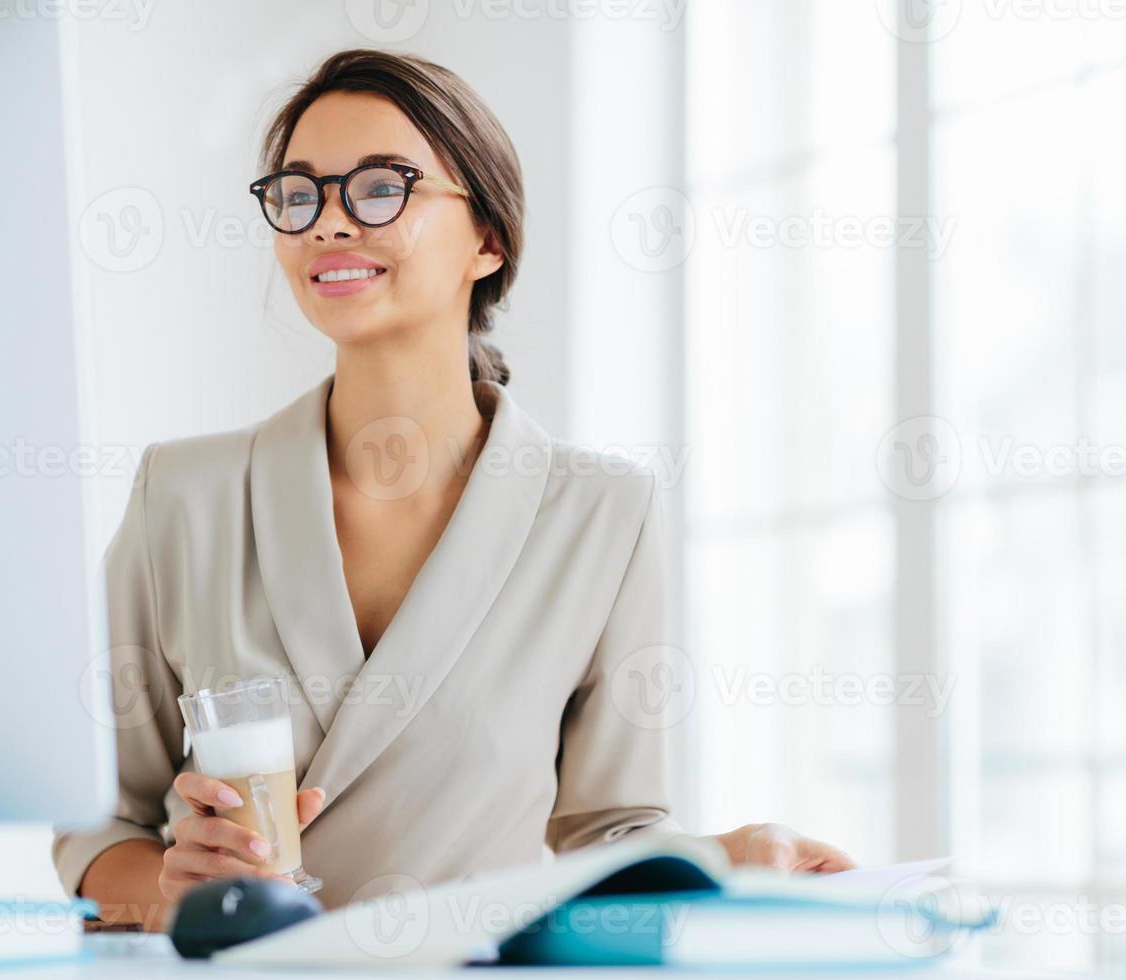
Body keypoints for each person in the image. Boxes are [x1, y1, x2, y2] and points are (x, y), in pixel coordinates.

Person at [55, 48, 853, 931]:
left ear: (488, 238)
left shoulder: (601, 516)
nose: (327, 223)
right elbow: (103, 822)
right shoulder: (184, 495)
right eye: (299, 192)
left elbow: (609, 834)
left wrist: (730, 857)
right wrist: (174, 891)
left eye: (380, 187)